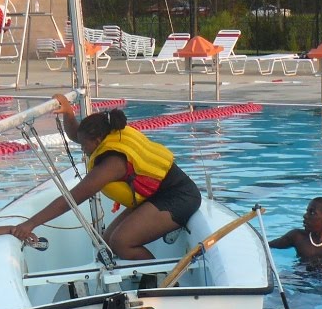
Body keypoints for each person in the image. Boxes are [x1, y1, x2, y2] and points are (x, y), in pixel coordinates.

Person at [11, 94, 201, 260]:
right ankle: (149, 278)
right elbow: (77, 135)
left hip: (180, 196)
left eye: (84, 146)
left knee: (121, 243)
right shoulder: (109, 132)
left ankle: (163, 281)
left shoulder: (113, 164)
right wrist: (68, 111)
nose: (83, 150)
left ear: (97, 141)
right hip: (156, 195)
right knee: (108, 241)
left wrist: (31, 223)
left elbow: (71, 199)